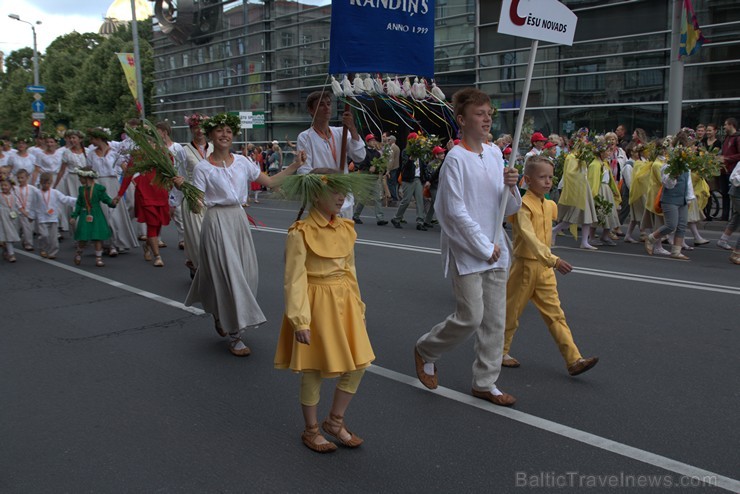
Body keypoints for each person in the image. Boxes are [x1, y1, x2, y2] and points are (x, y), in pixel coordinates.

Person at [414, 88, 521, 407]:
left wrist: (512, 186)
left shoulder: (495, 154)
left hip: (496, 248)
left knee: (495, 320)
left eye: (489, 112)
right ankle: (426, 349)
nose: (487, 117)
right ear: (461, 119)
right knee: (471, 317)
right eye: (479, 113)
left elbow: (509, 208)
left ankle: (486, 381)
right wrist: (482, 245)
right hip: (468, 250)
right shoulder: (455, 159)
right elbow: (452, 210)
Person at [184, 113, 305, 356]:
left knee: (247, 275)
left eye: (229, 131)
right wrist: (185, 189)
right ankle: (236, 335)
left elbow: (270, 182)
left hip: (238, 221)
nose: (225, 134)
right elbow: (197, 204)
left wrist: (295, 166)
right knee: (230, 276)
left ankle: (221, 314)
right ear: (210, 135)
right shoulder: (202, 169)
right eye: (219, 131)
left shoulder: (243, 162)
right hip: (216, 222)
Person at [274, 171, 376, 453]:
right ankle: (311, 430)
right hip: (316, 303)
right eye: (336, 191)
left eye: (344, 191)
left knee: (359, 364)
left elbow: (350, 271)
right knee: (314, 369)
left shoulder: (346, 228)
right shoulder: (300, 232)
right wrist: (300, 320)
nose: (342, 196)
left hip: (345, 301)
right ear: (316, 195)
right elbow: (293, 279)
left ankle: (335, 421)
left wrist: (359, 305)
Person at [502, 155, 598, 375]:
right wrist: (554, 260)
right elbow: (528, 237)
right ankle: (499, 352)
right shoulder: (522, 205)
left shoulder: (550, 205)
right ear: (526, 180)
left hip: (544, 270)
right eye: (542, 177)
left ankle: (574, 359)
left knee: (556, 314)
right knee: (511, 313)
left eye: (550, 177)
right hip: (526, 266)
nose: (547, 181)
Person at [295, 91, 366, 218]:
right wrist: (329, 177)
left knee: (346, 237)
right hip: (323, 201)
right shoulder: (305, 137)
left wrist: (352, 128)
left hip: (344, 199)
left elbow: (360, 156)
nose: (327, 108)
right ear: (311, 110)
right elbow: (304, 171)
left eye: (329, 104)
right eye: (321, 105)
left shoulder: (341, 132)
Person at [86, 127, 139, 256]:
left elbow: (126, 169)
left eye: (93, 138)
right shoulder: (91, 154)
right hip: (98, 184)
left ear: (99, 138)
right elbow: (89, 172)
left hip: (113, 184)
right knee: (103, 215)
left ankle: (117, 242)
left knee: (115, 215)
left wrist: (133, 181)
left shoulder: (114, 152)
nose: (91, 141)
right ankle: (108, 244)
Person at [645, 131, 695, 260]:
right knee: (671, 225)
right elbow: (666, 183)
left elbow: (688, 181)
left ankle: (676, 251)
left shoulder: (686, 163)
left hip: (682, 197)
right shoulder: (669, 163)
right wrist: (674, 176)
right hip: (670, 198)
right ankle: (651, 238)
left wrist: (689, 197)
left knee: (682, 224)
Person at [114, 161, 171, 268]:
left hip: (161, 192)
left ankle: (147, 245)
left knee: (158, 224)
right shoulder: (138, 154)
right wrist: (120, 194)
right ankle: (157, 256)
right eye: (150, 142)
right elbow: (128, 175)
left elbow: (170, 172)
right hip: (144, 192)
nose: (151, 143)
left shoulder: (163, 153)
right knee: (152, 223)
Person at [182, 113, 211, 276]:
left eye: (201, 127)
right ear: (191, 129)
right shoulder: (184, 151)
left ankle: (199, 265)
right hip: (193, 197)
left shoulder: (214, 148)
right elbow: (179, 176)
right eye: (195, 127)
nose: (199, 131)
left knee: (212, 237)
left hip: (213, 197)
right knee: (199, 237)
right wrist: (175, 200)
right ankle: (200, 268)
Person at [70, 167, 118, 267]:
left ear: (86, 177)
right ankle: (79, 253)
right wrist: (74, 216)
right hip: (85, 214)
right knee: (83, 236)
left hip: (96, 214)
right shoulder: (82, 189)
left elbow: (105, 199)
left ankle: (98, 258)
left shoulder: (98, 188)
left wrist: (112, 202)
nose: (79, 179)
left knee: (97, 236)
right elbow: (79, 204)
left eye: (80, 177)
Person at [155, 121, 187, 250]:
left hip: (175, 183)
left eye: (157, 131)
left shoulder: (177, 147)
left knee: (178, 211)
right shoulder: (156, 148)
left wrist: (182, 180)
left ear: (164, 132)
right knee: (160, 210)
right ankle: (157, 238)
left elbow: (182, 165)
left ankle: (183, 239)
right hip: (161, 183)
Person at [32, 172, 76, 259]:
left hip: (53, 217)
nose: (46, 185)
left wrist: (77, 200)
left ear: (51, 183)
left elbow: (65, 199)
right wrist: (31, 215)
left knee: (53, 238)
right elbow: (33, 205)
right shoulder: (37, 193)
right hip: (42, 218)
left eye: (48, 183)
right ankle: (43, 248)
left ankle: (52, 252)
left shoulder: (55, 192)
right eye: (44, 183)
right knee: (44, 235)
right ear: (41, 183)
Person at [390, 132, 429, 230]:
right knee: (406, 200)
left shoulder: (419, 152)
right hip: (408, 179)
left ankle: (420, 221)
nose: (417, 141)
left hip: (417, 179)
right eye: (415, 139)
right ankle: (396, 218)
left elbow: (422, 165)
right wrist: (410, 159)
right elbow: (404, 167)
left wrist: (425, 178)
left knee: (420, 200)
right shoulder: (405, 152)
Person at [55, 130, 88, 234]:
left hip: (85, 179)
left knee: (87, 204)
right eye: (70, 138)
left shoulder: (87, 151)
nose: (72, 140)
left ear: (80, 139)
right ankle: (77, 232)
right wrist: (55, 185)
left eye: (74, 138)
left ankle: (87, 230)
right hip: (72, 179)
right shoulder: (67, 152)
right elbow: (62, 170)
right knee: (75, 204)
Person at [352, 134, 388, 226]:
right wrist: (369, 168)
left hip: (374, 178)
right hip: (366, 177)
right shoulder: (364, 151)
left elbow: (380, 165)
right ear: (367, 142)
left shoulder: (377, 153)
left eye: (374, 140)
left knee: (377, 198)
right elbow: (360, 164)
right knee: (363, 198)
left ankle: (380, 218)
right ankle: (356, 216)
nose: (373, 142)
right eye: (371, 140)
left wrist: (382, 169)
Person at [13, 169, 39, 251]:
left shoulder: (32, 188)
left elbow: (39, 195)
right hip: (19, 212)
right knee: (20, 228)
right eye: (18, 178)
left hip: (29, 212)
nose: (20, 180)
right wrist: (22, 210)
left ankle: (27, 242)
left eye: (22, 178)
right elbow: (15, 200)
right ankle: (26, 242)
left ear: (27, 178)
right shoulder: (15, 189)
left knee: (29, 229)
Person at [720, 118, 740, 221]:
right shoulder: (726, 138)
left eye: (725, 125)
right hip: (724, 169)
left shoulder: (737, 138)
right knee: (724, 192)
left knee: (732, 193)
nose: (724, 127)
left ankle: (733, 216)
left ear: (731, 125)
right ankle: (724, 215)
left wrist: (727, 158)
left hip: (733, 170)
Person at [422, 145, 446, 228]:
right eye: (441, 153)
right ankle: (444, 223)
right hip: (434, 187)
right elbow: (429, 176)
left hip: (440, 186)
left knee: (433, 204)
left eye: (443, 153)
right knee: (438, 204)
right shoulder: (431, 165)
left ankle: (427, 220)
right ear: (436, 155)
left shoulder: (443, 163)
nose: (443, 154)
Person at [0, 177, 21, 262]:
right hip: (2, 218)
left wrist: (26, 214)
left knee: (10, 236)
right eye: (2, 185)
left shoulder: (14, 196)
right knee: (7, 235)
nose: (4, 187)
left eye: (6, 185)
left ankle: (6, 250)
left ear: (11, 186)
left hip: (12, 217)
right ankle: (11, 254)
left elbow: (19, 206)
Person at [383, 133, 401, 202]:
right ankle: (394, 196)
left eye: (389, 140)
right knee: (393, 183)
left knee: (390, 183)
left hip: (392, 168)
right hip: (396, 167)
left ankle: (394, 197)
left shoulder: (392, 148)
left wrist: (388, 170)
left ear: (392, 140)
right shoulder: (397, 147)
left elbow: (391, 159)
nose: (388, 141)